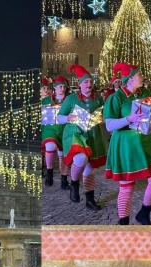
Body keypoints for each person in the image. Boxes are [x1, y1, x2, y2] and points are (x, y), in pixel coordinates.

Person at [104, 62, 151, 225]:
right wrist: (128, 119)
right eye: (139, 75)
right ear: (130, 79)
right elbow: (109, 125)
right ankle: (123, 221)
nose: (142, 76)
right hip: (125, 143)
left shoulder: (144, 92)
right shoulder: (115, 98)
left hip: (146, 140)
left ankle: (144, 212)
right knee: (127, 186)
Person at [58, 64, 107, 210]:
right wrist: (68, 118)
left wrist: (102, 118)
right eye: (86, 82)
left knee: (90, 169)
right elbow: (59, 117)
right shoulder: (71, 99)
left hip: (93, 134)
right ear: (80, 84)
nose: (89, 84)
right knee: (81, 158)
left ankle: (90, 200)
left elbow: (103, 114)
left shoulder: (98, 99)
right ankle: (74, 183)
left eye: (90, 82)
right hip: (75, 133)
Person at [42, 76, 70, 189]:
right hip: (50, 129)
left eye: (63, 86)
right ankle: (49, 172)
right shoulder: (46, 101)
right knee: (50, 145)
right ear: (55, 88)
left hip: (64, 129)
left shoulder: (69, 100)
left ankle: (64, 180)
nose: (62, 88)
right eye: (59, 86)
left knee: (62, 154)